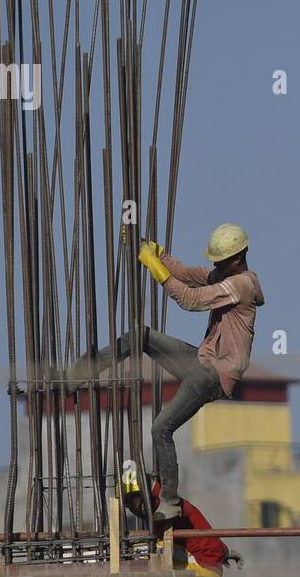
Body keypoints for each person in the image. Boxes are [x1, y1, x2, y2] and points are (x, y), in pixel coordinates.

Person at [69, 224, 264, 522]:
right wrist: (156, 252)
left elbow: (190, 299)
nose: (215, 265)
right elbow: (188, 274)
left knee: (161, 428)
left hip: (215, 375)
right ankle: (82, 372)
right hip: (201, 360)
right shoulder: (225, 276)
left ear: (237, 258)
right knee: (142, 335)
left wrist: (154, 268)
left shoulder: (241, 285)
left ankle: (170, 502)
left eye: (220, 260)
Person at [122, 470, 242, 577]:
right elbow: (201, 529)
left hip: (203, 570)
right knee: (150, 548)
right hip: (209, 567)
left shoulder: (168, 509)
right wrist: (225, 551)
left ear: (142, 495)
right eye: (127, 505)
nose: (131, 509)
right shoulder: (168, 507)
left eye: (130, 502)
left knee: (141, 552)